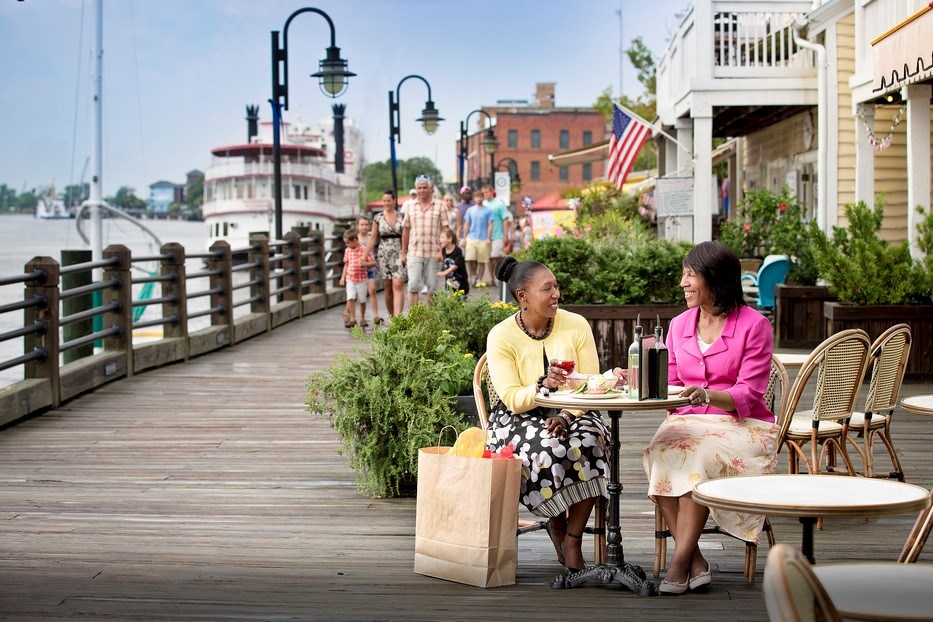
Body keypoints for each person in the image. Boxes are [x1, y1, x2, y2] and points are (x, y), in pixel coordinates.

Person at [643, 241, 778, 595]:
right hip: (687, 420)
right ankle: (696, 560)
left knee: (695, 457)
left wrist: (708, 395)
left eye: (690, 275)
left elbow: (750, 392)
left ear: (715, 279)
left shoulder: (755, 326)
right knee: (658, 452)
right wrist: (639, 379)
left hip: (742, 425)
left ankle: (678, 562)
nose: (683, 283)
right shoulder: (679, 324)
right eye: (683, 274)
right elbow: (670, 383)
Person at [485, 256, 610, 574]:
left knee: (591, 441)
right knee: (548, 446)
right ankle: (556, 521)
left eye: (556, 286)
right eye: (547, 288)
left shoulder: (576, 324)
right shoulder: (501, 336)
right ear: (522, 296)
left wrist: (567, 415)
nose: (556, 293)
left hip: (574, 408)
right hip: (518, 417)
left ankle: (572, 537)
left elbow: (591, 384)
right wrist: (542, 387)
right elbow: (512, 398)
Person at [401, 175, 448, 307]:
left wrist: (442, 251)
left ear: (430, 188)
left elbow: (445, 230)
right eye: (419, 188)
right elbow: (406, 230)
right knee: (413, 285)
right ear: (416, 189)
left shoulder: (440, 206)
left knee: (433, 287)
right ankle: (414, 317)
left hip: (434, 252)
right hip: (414, 251)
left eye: (425, 187)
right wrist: (403, 252)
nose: (422, 190)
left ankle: (432, 318)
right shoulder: (410, 206)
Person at [365, 189, 406, 318]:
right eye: (384, 201)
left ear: (394, 201)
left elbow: (406, 236)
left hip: (398, 251)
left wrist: (405, 252)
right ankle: (391, 315)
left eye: (389, 200)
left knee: (398, 284)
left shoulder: (402, 217)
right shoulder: (378, 218)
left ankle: (398, 316)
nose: (386, 203)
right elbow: (373, 238)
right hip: (384, 253)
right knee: (387, 287)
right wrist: (365, 254)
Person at [339, 229, 374, 329]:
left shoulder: (364, 250)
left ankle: (362, 318)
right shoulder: (347, 251)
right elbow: (346, 264)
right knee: (350, 298)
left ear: (355, 240)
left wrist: (365, 264)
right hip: (350, 278)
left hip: (362, 279)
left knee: (362, 300)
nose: (346, 245)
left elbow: (372, 262)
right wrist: (343, 277)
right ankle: (353, 319)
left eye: (348, 243)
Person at [483, 184, 513, 287]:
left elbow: (505, 219)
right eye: (483, 193)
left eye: (487, 192)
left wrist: (506, 235)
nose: (485, 195)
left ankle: (500, 277)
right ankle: (491, 279)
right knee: (488, 258)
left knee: (496, 256)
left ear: (492, 192)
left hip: (498, 234)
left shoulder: (499, 204)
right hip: (486, 236)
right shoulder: (483, 204)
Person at [462, 188, 493, 287]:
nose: (478, 199)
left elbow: (490, 224)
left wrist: (488, 238)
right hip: (471, 237)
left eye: (480, 197)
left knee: (481, 260)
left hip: (483, 238)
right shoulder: (470, 210)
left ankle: (479, 278)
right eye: (476, 197)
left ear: (483, 198)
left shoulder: (488, 211)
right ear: (474, 198)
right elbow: (466, 224)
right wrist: (465, 237)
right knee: (470, 258)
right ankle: (472, 276)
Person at [356, 216, 382, 325]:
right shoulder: (355, 238)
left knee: (372, 290)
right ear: (357, 226)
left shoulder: (371, 236)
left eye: (366, 225)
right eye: (362, 225)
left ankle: (375, 315)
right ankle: (348, 313)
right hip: (358, 269)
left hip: (370, 267)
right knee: (355, 293)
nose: (364, 227)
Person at [436, 228, 469, 297]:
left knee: (460, 303)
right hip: (449, 283)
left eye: (442, 237)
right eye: (440, 237)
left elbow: (456, 265)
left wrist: (445, 272)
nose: (440, 239)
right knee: (450, 302)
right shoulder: (443, 250)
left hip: (461, 283)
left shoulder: (458, 251)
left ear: (450, 239)